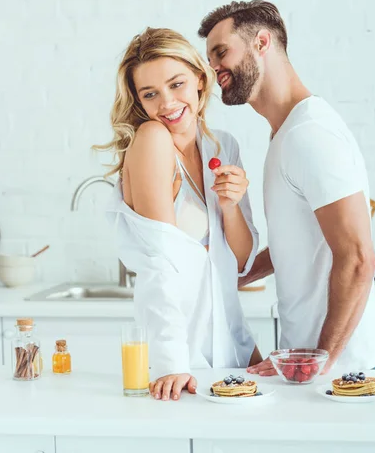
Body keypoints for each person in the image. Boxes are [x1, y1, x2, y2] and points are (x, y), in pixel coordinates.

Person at [198, 0, 375, 374]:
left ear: (261, 43)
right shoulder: (286, 133)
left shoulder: (309, 134)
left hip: (346, 372)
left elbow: (359, 259)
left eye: (221, 53)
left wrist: (321, 359)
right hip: (314, 365)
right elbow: (302, 241)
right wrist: (239, 273)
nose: (214, 69)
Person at [98, 28, 261, 400]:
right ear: (138, 100)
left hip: (234, 345)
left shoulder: (222, 144)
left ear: (200, 80)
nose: (167, 103)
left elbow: (239, 261)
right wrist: (171, 361)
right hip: (184, 359)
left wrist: (230, 206)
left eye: (177, 84)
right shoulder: (153, 140)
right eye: (150, 93)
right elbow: (159, 263)